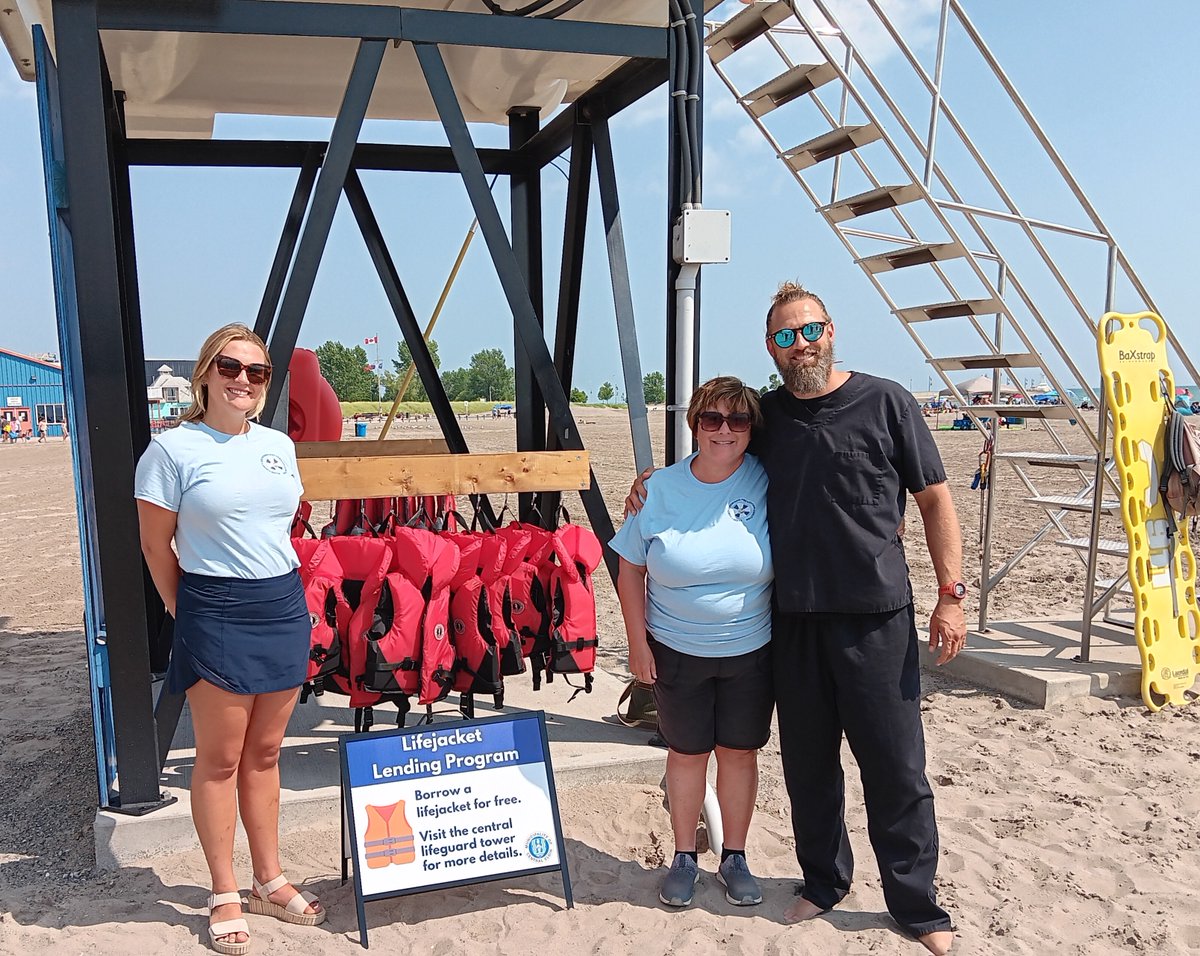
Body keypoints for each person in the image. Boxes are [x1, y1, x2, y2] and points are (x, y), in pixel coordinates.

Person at [627, 284, 965, 955]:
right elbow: (712, 461)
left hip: (876, 619)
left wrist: (950, 593)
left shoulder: (888, 402)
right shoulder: (768, 418)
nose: (799, 345)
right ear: (770, 348)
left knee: (895, 768)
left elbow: (933, 500)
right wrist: (650, 481)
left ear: (831, 330)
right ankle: (824, 882)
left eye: (808, 331)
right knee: (810, 767)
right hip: (794, 623)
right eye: (784, 337)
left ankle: (916, 906)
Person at [135, 324, 324, 955]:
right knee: (218, 760)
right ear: (206, 374)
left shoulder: (278, 445)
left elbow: (276, 527)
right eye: (231, 367)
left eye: (257, 372)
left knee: (266, 755)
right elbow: (155, 546)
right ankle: (223, 889)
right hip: (214, 609)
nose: (243, 380)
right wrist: (180, 607)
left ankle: (269, 877)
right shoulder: (172, 451)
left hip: (281, 605)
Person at [610, 376, 774, 910]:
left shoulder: (769, 481)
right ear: (694, 425)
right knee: (686, 754)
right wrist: (638, 642)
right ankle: (684, 855)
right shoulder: (657, 490)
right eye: (712, 419)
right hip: (676, 649)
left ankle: (735, 855)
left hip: (751, 648)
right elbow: (630, 568)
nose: (725, 430)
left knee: (739, 753)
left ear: (752, 429)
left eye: (738, 420)